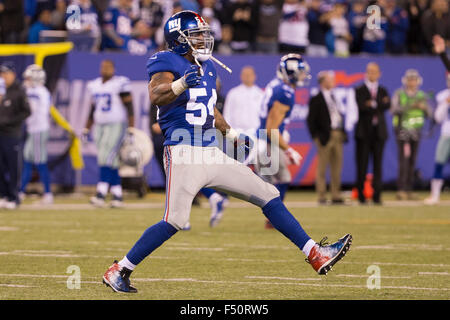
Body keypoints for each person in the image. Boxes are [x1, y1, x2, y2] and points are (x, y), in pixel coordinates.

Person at [102, 10, 352, 293]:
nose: (202, 39)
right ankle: (119, 270)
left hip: (211, 151)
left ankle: (315, 254)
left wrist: (232, 134)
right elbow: (156, 93)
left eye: (202, 34)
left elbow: (210, 108)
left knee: (268, 194)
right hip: (183, 151)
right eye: (195, 35)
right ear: (179, 38)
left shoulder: (208, 67)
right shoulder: (164, 60)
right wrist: (181, 83)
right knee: (174, 221)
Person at [255, 53, 308, 228]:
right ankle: (275, 218)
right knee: (276, 181)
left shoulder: (278, 85)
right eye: (299, 71)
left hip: (265, 139)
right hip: (268, 140)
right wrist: (289, 149)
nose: (302, 75)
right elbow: (271, 129)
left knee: (277, 180)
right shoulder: (284, 92)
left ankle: (274, 218)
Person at [83, 59, 135, 208]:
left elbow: (129, 106)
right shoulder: (94, 85)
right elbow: (92, 109)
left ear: (113, 69)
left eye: (108, 67)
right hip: (100, 125)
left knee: (106, 157)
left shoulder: (120, 83)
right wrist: (86, 128)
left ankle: (101, 192)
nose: (105, 69)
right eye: (103, 66)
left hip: (116, 124)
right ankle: (117, 195)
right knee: (110, 160)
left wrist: (131, 128)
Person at [391, 69, 432, 200]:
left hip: (416, 131)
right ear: (406, 81)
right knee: (403, 160)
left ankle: (409, 189)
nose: (412, 82)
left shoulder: (422, 95)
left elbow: (430, 114)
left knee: (412, 160)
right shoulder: (399, 94)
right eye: (410, 79)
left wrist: (424, 107)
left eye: (414, 79)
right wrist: (410, 105)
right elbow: (393, 110)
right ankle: (401, 189)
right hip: (403, 131)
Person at [307, 70, 347, 205]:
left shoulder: (335, 97)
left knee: (337, 166)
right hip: (324, 136)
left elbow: (340, 115)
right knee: (322, 167)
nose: (333, 82)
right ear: (323, 82)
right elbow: (310, 120)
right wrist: (316, 137)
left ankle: (336, 195)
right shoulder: (316, 98)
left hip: (337, 133)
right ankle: (322, 195)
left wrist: (343, 131)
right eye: (330, 80)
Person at [354, 62, 390, 205]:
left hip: (379, 132)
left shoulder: (383, 90)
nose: (372, 74)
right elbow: (362, 107)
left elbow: (387, 105)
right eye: (369, 71)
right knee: (362, 165)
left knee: (378, 165)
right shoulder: (360, 89)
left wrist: (372, 104)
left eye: (374, 71)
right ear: (366, 73)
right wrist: (378, 104)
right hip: (363, 133)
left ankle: (377, 196)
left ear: (379, 73)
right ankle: (361, 196)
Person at [19, 65, 53, 205]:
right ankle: (20, 192)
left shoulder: (42, 92)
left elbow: (40, 112)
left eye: (28, 78)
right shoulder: (29, 90)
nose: (26, 80)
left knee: (40, 162)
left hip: (39, 129)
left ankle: (48, 194)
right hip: (32, 129)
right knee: (27, 161)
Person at [0, 62, 31, 210]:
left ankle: (14, 196)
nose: (3, 76)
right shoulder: (1, 90)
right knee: (0, 167)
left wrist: (9, 122)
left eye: (6, 73)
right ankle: (3, 194)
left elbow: (26, 111)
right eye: (2, 73)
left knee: (13, 167)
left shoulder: (19, 90)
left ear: (13, 74)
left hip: (12, 134)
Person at [424, 73, 450, 205]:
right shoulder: (443, 95)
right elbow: (438, 118)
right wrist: (446, 103)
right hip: (447, 134)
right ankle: (435, 195)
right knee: (439, 163)